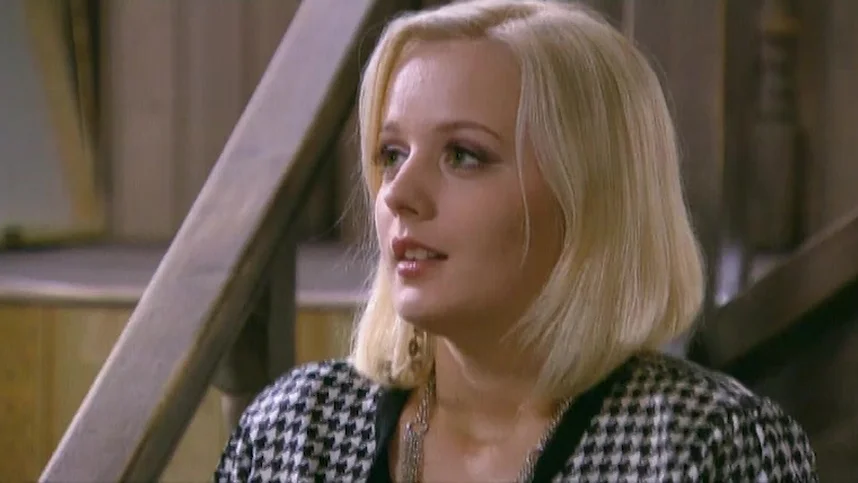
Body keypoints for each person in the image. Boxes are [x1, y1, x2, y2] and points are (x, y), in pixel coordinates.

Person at [215, 0, 818, 481]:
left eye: (463, 155)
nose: (399, 194)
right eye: (392, 153)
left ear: (588, 197)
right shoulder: (294, 432)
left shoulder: (708, 445)